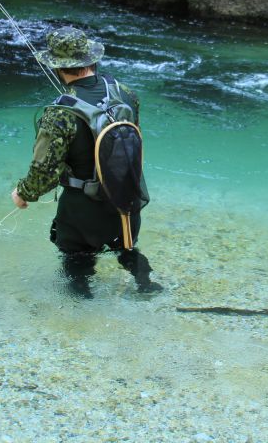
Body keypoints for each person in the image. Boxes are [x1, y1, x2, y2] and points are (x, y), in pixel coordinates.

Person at [11, 26, 162, 298]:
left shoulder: (59, 113)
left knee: (76, 265)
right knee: (126, 247)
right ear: (91, 60)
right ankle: (147, 287)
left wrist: (22, 193)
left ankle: (81, 316)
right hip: (126, 200)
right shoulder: (126, 93)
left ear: (58, 68)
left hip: (82, 212)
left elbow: (44, 173)